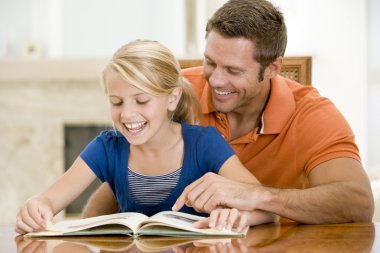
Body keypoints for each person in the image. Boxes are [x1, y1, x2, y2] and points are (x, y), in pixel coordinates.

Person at [84, 0, 374, 224]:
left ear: (273, 67)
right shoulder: (178, 93)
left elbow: (358, 202)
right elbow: (121, 175)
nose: (216, 80)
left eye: (233, 70)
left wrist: (255, 194)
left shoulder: (311, 115)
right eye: (210, 62)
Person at [15, 39, 277, 234]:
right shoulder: (106, 148)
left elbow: (266, 207)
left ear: (172, 98)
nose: (128, 114)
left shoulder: (204, 144)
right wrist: (37, 205)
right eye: (116, 102)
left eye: (141, 101)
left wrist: (236, 217)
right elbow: (50, 199)